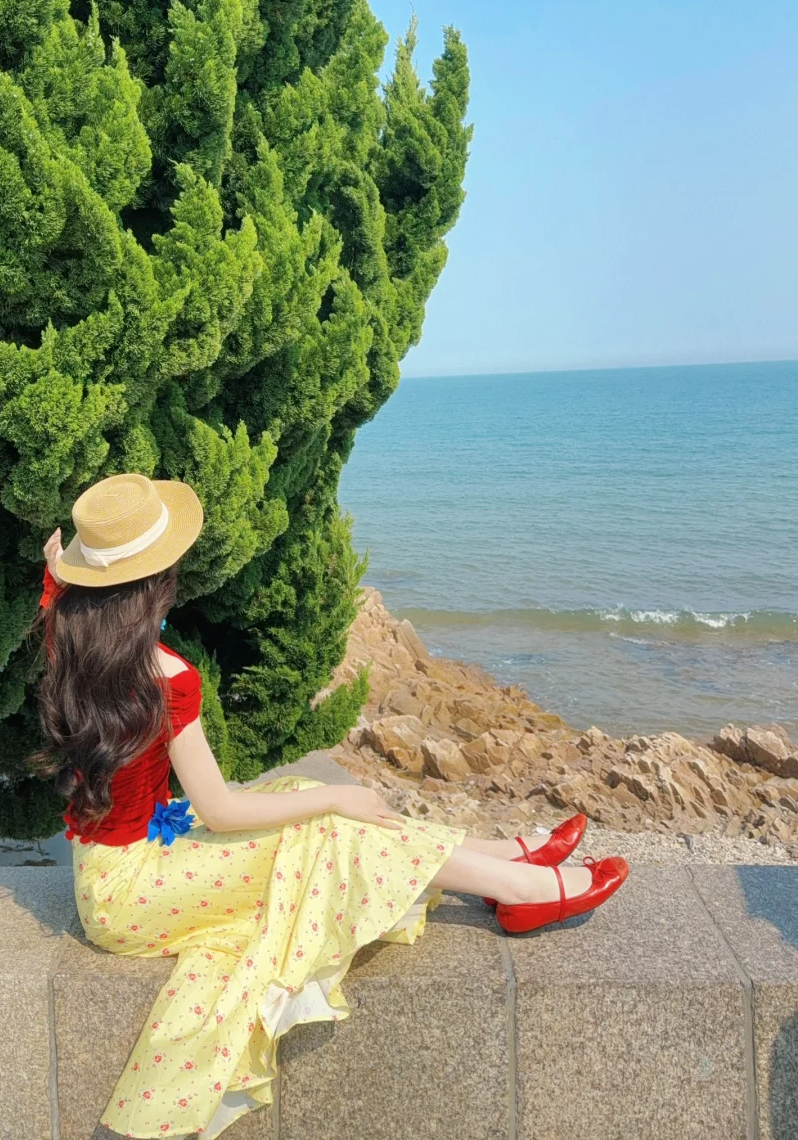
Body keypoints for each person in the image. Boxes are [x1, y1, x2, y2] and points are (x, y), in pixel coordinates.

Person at [33, 473, 629, 1138]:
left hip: (107, 878)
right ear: (158, 578)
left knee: (298, 799)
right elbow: (221, 810)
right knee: (327, 822)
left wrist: (59, 575)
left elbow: (58, 596)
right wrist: (339, 792)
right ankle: (520, 887)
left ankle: (502, 857)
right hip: (140, 889)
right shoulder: (166, 675)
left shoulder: (73, 634)